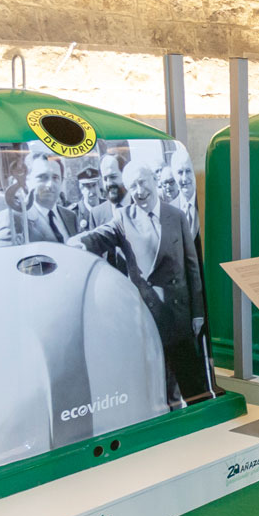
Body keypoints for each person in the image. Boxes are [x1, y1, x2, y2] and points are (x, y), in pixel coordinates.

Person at [75, 161, 209, 403]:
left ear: (153, 181)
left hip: (180, 319)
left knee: (194, 386)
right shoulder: (123, 219)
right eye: (133, 186)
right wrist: (79, 242)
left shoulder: (176, 216)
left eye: (142, 183)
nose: (139, 191)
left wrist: (198, 312)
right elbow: (98, 236)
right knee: (159, 392)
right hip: (149, 321)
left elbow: (192, 267)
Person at [0, 153, 77, 244]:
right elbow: (2, 257)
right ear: (26, 181)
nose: (50, 184)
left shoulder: (70, 216)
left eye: (55, 177)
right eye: (42, 177)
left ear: (62, 181)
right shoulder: (12, 219)